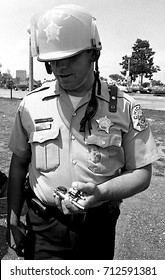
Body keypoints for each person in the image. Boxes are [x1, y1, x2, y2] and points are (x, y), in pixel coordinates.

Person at [7, 4, 160, 260]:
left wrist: (100, 193)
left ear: (93, 53)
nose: (60, 68)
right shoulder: (30, 106)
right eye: (53, 61)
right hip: (43, 227)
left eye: (69, 58)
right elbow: (19, 163)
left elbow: (141, 173)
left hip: (97, 229)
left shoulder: (123, 106)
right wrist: (13, 219)